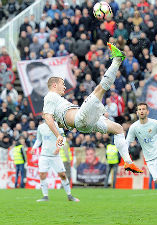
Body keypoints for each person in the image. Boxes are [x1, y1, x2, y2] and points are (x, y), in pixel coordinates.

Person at [42, 43, 142, 174]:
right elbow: (47, 117)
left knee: (118, 129)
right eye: (62, 84)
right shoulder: (50, 96)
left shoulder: (57, 100)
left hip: (85, 123)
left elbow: (59, 121)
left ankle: (128, 163)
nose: (65, 87)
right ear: (54, 85)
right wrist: (58, 136)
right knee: (100, 89)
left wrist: (61, 125)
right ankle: (117, 60)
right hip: (80, 118)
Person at [32, 122, 79, 202]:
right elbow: (39, 139)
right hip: (44, 155)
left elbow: (63, 138)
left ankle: (69, 195)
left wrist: (59, 147)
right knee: (42, 175)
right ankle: (45, 196)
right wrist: (34, 148)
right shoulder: (41, 127)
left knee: (63, 175)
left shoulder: (57, 126)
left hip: (55, 156)